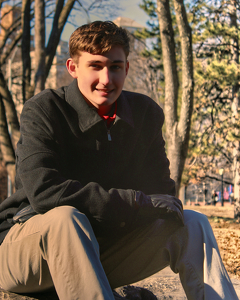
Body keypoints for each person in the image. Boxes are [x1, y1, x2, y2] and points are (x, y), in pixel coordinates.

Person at [0, 21, 238, 300]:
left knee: (193, 224)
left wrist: (143, 204)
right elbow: (44, 192)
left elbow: (162, 195)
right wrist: (135, 202)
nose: (106, 79)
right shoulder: (45, 109)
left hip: (101, 254)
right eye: (95, 66)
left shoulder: (145, 114)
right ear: (73, 68)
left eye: (114, 66)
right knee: (66, 218)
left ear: (126, 68)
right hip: (25, 254)